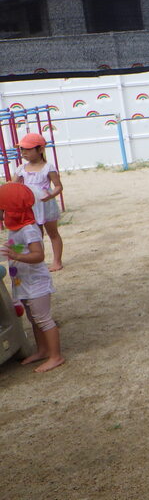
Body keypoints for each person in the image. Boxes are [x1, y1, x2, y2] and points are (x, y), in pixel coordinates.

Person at [0, 182, 62, 372]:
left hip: (37, 284)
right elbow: (21, 247)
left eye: (3, 210)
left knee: (43, 319)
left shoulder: (29, 229)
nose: (2, 214)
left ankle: (55, 356)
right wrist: (11, 248)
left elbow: (38, 255)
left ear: (12, 209)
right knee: (33, 318)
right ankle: (42, 350)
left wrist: (16, 256)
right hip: (24, 282)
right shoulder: (15, 229)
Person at [14, 132, 64, 271]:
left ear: (40, 149)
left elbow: (58, 186)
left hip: (46, 205)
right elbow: (14, 186)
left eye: (28, 149)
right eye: (22, 149)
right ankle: (38, 261)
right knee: (36, 235)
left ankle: (57, 261)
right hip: (30, 206)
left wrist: (50, 195)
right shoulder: (21, 169)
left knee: (53, 233)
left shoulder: (48, 167)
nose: (24, 153)